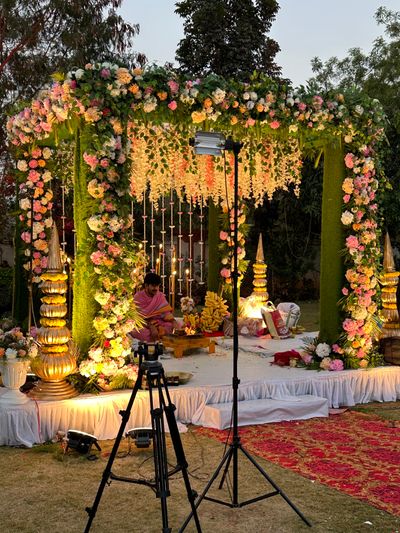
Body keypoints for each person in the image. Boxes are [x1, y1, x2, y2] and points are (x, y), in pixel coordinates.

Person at [131, 272, 175, 342]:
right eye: (153, 286)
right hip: (143, 324)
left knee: (169, 326)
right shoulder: (138, 297)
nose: (156, 288)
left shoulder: (160, 296)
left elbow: (165, 312)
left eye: (157, 286)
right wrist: (151, 326)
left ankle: (159, 338)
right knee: (139, 332)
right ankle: (157, 340)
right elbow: (138, 318)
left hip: (159, 322)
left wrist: (172, 320)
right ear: (146, 285)